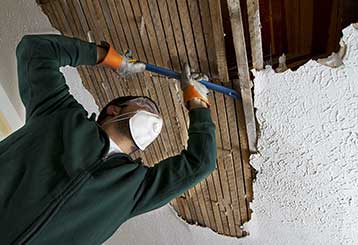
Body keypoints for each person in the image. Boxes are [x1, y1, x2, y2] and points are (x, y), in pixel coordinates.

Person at [0, 34, 217, 244]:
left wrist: (198, 104)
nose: (153, 118)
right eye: (146, 105)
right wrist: (107, 57)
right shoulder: (59, 112)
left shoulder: (134, 189)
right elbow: (35, 50)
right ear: (113, 110)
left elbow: (201, 163)